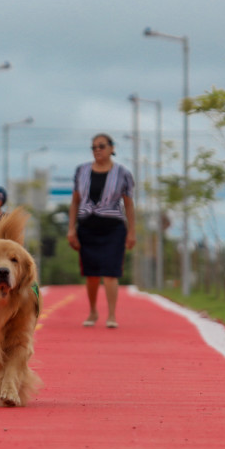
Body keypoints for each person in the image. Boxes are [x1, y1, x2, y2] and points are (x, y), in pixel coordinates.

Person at [67, 133, 135, 328]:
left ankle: (112, 314)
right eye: (94, 147)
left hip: (113, 227)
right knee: (92, 273)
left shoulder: (123, 173)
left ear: (112, 149)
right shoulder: (81, 171)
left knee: (111, 272)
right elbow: (75, 202)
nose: (98, 150)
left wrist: (132, 232)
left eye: (102, 146)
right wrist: (71, 229)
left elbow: (129, 205)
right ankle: (93, 310)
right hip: (87, 226)